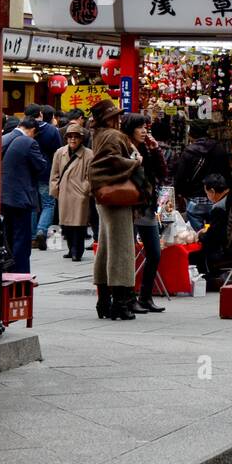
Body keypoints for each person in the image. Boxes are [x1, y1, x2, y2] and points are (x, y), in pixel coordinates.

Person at [88, 99, 142, 322]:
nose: (118, 119)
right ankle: (121, 302)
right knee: (121, 248)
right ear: (107, 118)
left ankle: (104, 300)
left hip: (104, 197)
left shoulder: (99, 135)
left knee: (106, 246)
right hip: (117, 197)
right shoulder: (114, 135)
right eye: (114, 116)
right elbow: (110, 162)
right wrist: (135, 162)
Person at [122, 113, 168, 314]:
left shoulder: (149, 147)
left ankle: (145, 296)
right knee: (127, 253)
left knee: (154, 253)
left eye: (145, 127)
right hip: (128, 204)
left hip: (147, 205)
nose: (143, 131)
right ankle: (128, 297)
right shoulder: (123, 146)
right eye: (139, 127)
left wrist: (155, 148)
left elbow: (162, 172)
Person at [1, 117, 49, 275]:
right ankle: (20, 273)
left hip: (2, 197)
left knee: (7, 236)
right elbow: (40, 166)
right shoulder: (29, 142)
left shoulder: (3, 138)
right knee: (21, 239)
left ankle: (7, 269)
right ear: (33, 130)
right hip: (20, 197)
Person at [48, 122, 92, 262]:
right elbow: (54, 173)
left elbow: (90, 177)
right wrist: (55, 189)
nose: (73, 139)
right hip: (64, 193)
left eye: (76, 137)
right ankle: (70, 248)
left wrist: (85, 189)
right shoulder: (60, 152)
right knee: (66, 224)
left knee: (79, 224)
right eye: (70, 136)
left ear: (81, 138)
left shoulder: (88, 154)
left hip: (80, 195)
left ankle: (77, 251)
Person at [172, 123, 229, 230]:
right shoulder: (220, 149)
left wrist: (182, 193)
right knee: (216, 232)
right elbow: (227, 173)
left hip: (195, 200)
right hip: (218, 198)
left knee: (198, 235)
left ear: (191, 134)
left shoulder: (189, 151)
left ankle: (203, 243)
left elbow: (180, 177)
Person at [26, 104, 62, 251]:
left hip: (30, 171)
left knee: (33, 205)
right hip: (47, 171)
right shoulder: (51, 130)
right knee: (48, 203)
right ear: (40, 113)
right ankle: (42, 229)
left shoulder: (26, 129)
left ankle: (33, 236)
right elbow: (58, 152)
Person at [195, 174, 232, 289]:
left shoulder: (219, 208)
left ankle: (204, 281)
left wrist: (200, 236)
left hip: (226, 250)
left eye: (206, 193)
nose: (207, 196)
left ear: (212, 191)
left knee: (195, 253)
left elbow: (214, 236)